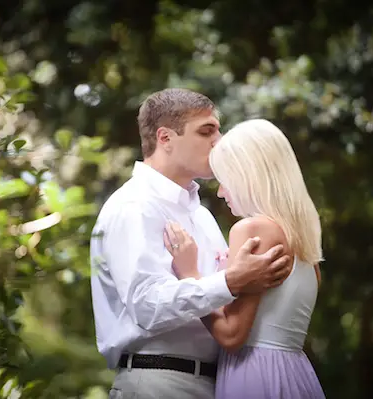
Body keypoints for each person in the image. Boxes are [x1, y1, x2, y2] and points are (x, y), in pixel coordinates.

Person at [90, 89, 293, 399]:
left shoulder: (201, 217)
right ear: (165, 138)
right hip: (159, 383)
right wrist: (231, 280)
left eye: (218, 129)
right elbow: (147, 306)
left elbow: (223, 308)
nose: (219, 141)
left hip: (216, 383)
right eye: (206, 131)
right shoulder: (134, 205)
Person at [164, 119, 326, 398]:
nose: (220, 192)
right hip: (296, 374)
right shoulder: (304, 240)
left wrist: (190, 273)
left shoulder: (251, 229)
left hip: (256, 375)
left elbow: (231, 335)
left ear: (248, 176)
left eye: (225, 181)